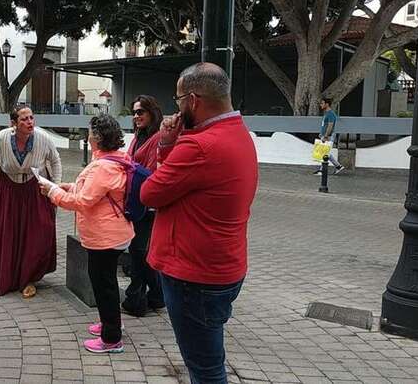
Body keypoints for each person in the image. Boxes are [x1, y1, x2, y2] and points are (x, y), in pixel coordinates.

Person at [141, 63, 258, 384]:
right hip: (223, 267)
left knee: (206, 371)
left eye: (179, 100)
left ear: (193, 100)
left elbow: (149, 193)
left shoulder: (197, 146)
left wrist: (166, 145)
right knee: (208, 362)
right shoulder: (238, 132)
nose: (177, 109)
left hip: (193, 276)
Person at [41, 114, 134, 353]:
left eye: (90, 133)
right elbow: (96, 192)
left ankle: (111, 339)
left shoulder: (103, 167)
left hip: (105, 237)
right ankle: (111, 322)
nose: (87, 136)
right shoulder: (113, 160)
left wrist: (52, 192)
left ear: (98, 138)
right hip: (112, 233)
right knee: (106, 282)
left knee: (104, 285)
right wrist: (69, 187)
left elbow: (82, 201)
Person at [0, 104, 62, 298]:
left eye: (31, 117)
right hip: (8, 185)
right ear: (13, 124)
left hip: (34, 186)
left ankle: (29, 277)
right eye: (24, 119)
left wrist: (55, 188)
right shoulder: (2, 138)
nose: (30, 122)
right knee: (4, 228)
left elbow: (55, 160)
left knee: (37, 231)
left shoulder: (43, 138)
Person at [121, 95, 165, 317]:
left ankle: (135, 299)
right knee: (140, 252)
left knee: (139, 251)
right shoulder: (139, 135)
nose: (136, 116)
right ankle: (157, 295)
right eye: (134, 112)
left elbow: (150, 172)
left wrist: (130, 167)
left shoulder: (157, 138)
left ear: (151, 113)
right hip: (136, 200)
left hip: (147, 204)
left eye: (140, 112)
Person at [314, 98, 345, 175]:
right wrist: (321, 133)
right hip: (325, 135)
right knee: (326, 152)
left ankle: (322, 170)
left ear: (327, 104)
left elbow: (330, 126)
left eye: (322, 103)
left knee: (324, 152)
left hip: (328, 136)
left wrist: (326, 136)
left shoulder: (330, 114)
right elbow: (324, 125)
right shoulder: (326, 113)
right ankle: (338, 166)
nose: (321, 105)